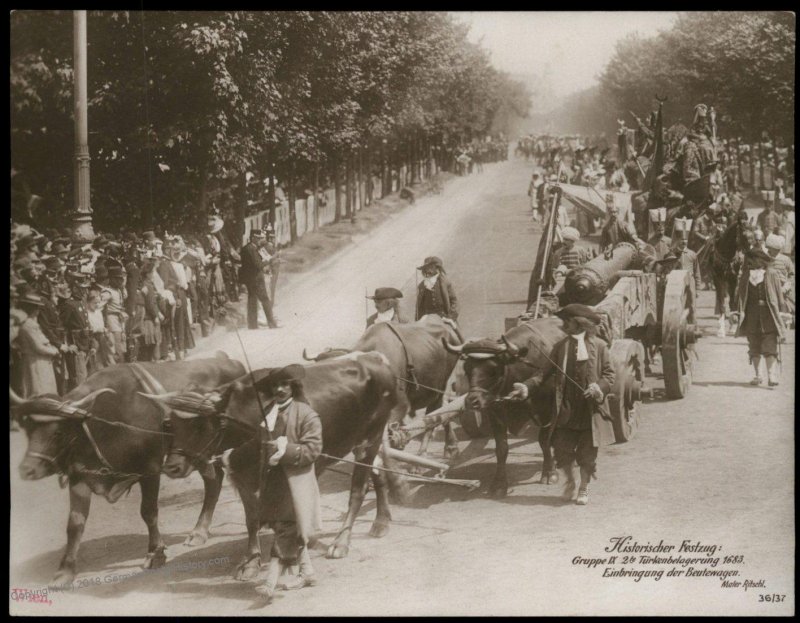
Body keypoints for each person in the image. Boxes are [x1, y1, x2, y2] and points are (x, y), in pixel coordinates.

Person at [507, 304, 616, 505]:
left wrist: (599, 388)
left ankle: (583, 487)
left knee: (587, 454)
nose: (563, 325)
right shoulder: (560, 347)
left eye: (567, 322)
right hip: (565, 408)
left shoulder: (600, 346)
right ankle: (570, 482)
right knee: (562, 451)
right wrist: (526, 387)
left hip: (589, 409)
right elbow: (542, 374)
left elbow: (609, 375)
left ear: (579, 323)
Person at [247, 364, 322, 603]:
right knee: (285, 528)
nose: (279, 389)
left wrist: (285, 449)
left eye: (284, 384)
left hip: (295, 484)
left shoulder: (306, 413)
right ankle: (308, 572)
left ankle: (270, 582)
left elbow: (313, 450)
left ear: (293, 387)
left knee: (286, 531)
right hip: (273, 484)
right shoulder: (267, 414)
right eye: (275, 385)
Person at [734, 248, 787, 386]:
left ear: (760, 260)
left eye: (752, 260)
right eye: (749, 260)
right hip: (751, 315)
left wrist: (782, 312)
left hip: (768, 315)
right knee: (754, 345)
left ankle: (772, 376)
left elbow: (779, 295)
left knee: (770, 345)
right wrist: (737, 312)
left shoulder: (771, 273)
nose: (749, 263)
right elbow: (740, 296)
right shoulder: (746, 276)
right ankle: (758, 375)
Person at [16, 291, 60, 397]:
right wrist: (54, 351)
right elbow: (38, 347)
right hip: (35, 362)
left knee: (45, 390)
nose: (38, 310)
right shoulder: (28, 326)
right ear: (31, 309)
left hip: (41, 361)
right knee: (38, 390)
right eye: (36, 308)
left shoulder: (32, 323)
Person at [239, 229, 279, 330]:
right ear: (252, 238)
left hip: (249, 279)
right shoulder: (251, 249)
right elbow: (258, 264)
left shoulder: (246, 248)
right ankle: (272, 323)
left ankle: (252, 325)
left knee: (252, 300)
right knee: (265, 299)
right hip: (256, 278)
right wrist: (269, 259)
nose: (259, 240)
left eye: (260, 238)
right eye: (258, 238)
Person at [415, 256, 459, 321]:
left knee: (452, 329)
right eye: (426, 268)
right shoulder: (421, 286)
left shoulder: (445, 282)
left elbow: (454, 301)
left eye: (430, 267)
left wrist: (450, 317)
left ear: (437, 268)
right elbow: (420, 307)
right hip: (427, 318)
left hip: (443, 316)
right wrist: (418, 320)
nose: (427, 270)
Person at [765, 234, 794, 314]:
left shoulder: (785, 259)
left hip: (782, 290)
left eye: (770, 249)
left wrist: (786, 286)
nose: (768, 250)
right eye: (768, 248)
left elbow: (792, 275)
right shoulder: (765, 258)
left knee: (786, 308)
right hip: (769, 289)